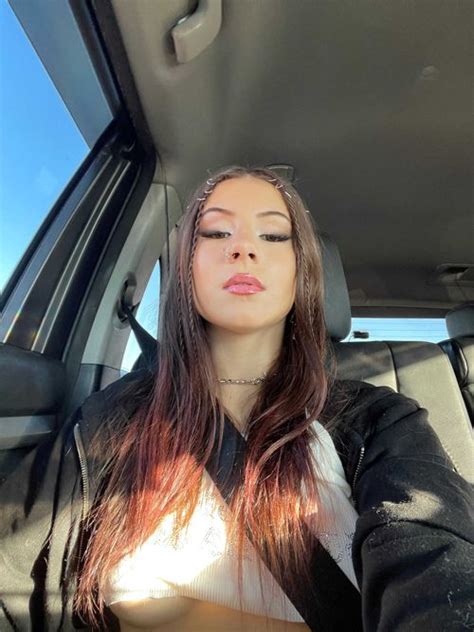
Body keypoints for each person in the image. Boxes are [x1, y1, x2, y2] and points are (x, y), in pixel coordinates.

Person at [0, 165, 473, 632]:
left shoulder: (380, 419)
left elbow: (432, 556)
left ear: (303, 270)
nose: (243, 248)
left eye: (273, 236)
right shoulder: (112, 417)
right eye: (216, 232)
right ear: (186, 268)